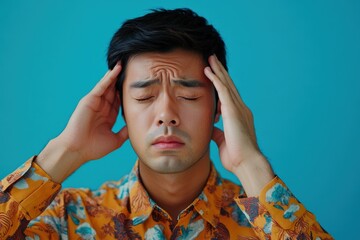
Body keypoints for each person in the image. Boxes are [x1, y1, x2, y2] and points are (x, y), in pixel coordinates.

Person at [0, 8, 333, 239]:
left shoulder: (265, 225)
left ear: (220, 108)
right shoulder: (68, 219)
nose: (166, 115)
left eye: (188, 96)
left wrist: (251, 166)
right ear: (119, 107)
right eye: (144, 97)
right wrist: (65, 151)